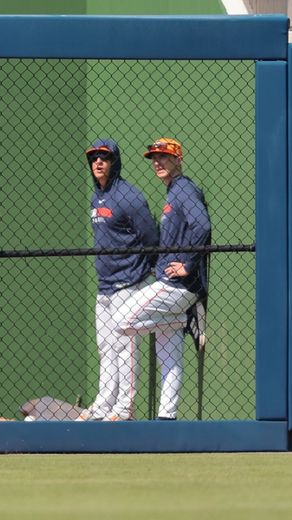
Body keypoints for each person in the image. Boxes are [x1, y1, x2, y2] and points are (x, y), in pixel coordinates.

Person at [116, 138, 211, 420]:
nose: (157, 162)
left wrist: (188, 264)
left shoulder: (183, 189)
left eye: (164, 157)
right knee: (169, 357)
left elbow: (202, 224)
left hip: (177, 284)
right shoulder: (173, 192)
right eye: (154, 158)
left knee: (122, 322)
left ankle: (185, 318)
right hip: (177, 287)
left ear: (178, 159)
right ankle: (166, 418)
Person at [76, 139, 158, 422]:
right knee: (106, 347)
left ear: (115, 162)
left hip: (128, 285)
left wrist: (141, 271)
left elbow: (151, 238)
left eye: (104, 158)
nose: (98, 162)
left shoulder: (130, 197)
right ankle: (103, 405)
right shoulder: (95, 197)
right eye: (94, 158)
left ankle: (125, 408)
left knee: (125, 348)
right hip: (105, 287)